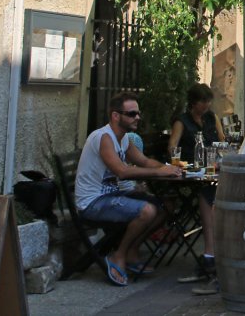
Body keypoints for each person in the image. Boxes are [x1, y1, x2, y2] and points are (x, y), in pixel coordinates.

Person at [76, 92, 183, 287]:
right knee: (147, 210)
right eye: (132, 114)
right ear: (116, 116)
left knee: (166, 206)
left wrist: (170, 168)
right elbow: (122, 172)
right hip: (93, 202)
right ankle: (119, 256)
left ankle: (132, 251)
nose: (138, 118)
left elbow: (143, 161)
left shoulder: (123, 138)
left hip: (111, 197)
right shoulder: (103, 137)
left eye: (138, 113)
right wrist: (160, 173)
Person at [168, 83, 225, 279]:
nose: (208, 104)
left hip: (211, 168)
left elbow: (221, 139)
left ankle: (213, 251)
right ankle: (212, 253)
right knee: (207, 193)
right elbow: (172, 147)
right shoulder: (182, 121)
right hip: (190, 170)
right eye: (204, 101)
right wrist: (183, 163)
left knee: (213, 191)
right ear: (194, 102)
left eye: (209, 100)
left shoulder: (212, 117)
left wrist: (219, 155)